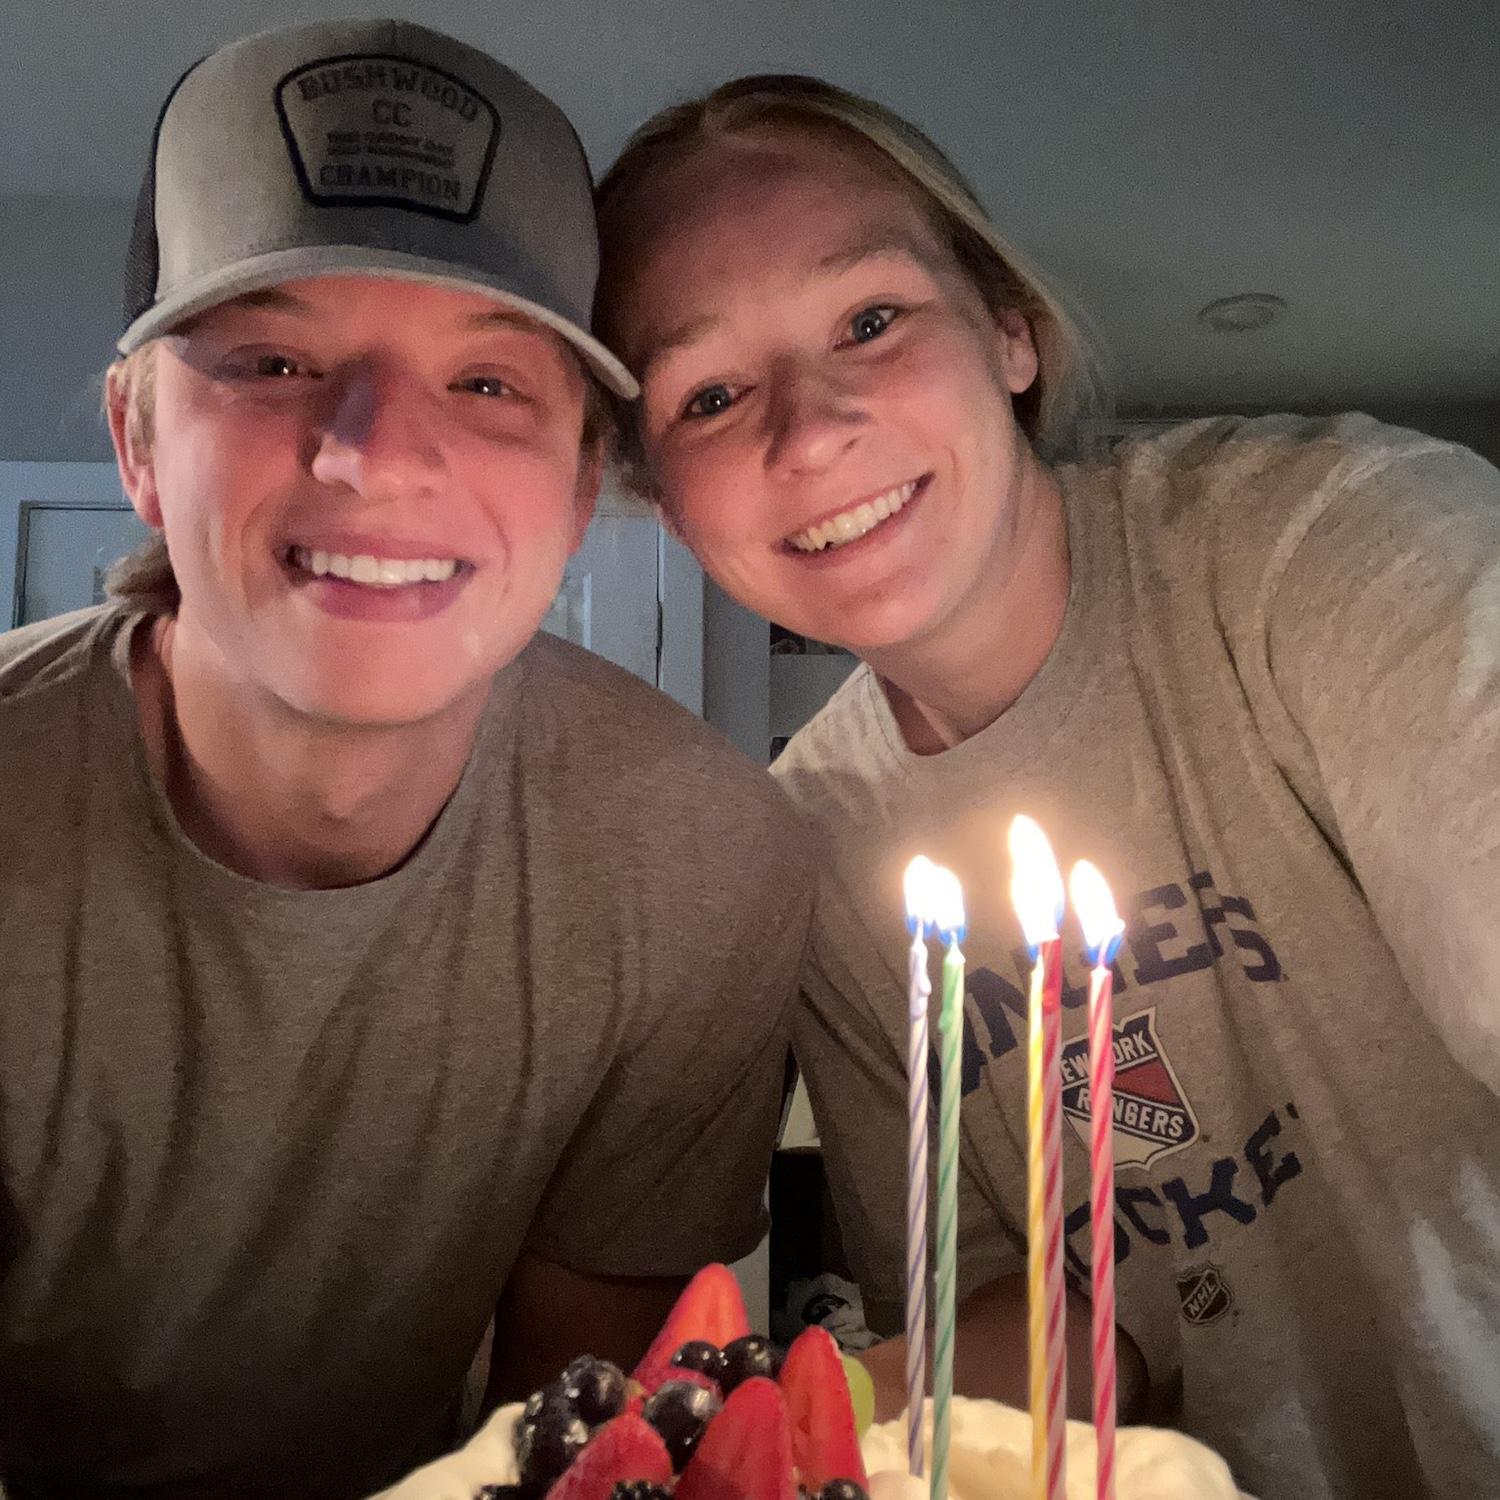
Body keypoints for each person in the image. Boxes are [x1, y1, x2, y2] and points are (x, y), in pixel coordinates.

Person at [591, 75, 1500, 1500]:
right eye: (707, 395)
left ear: (1009, 329)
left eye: (870, 321)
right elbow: (1063, 1321)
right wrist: (781, 1428)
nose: (809, 430)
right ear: (662, 497)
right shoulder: (812, 851)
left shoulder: (1327, 550)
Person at [0, 24, 811, 1500]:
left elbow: (571, 1440)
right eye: (274, 361)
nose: (373, 453)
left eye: (490, 384)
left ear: (583, 482)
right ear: (136, 437)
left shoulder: (695, 863)